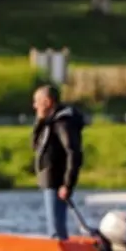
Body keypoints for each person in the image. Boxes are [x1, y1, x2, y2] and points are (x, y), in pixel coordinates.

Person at [32, 84, 85, 240]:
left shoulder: (62, 122)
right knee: (54, 225)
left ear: (47, 102)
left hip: (57, 182)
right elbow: (35, 145)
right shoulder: (49, 122)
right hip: (50, 181)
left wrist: (68, 184)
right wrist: (40, 121)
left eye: (37, 101)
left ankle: (60, 250)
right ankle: (58, 243)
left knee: (56, 229)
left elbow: (73, 152)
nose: (34, 106)